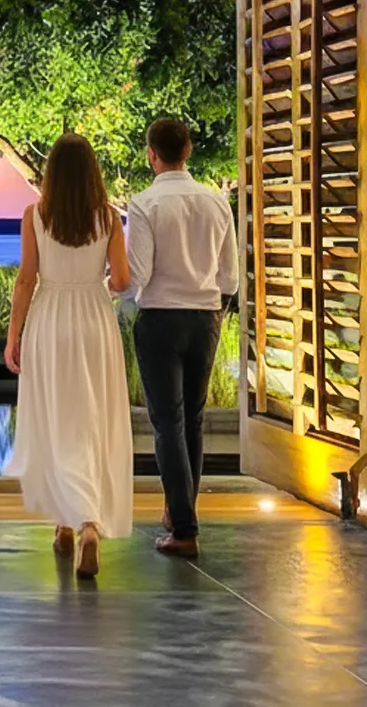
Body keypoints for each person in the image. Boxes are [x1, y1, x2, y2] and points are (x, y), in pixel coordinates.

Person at [3, 132, 132, 579]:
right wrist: (99, 282)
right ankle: (81, 522)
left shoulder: (35, 215)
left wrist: (12, 334)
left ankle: (73, 521)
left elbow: (26, 280)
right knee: (90, 419)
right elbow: (121, 280)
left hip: (50, 320)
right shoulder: (110, 218)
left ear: (52, 174)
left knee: (56, 419)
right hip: (94, 321)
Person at [125, 118, 239, 560]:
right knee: (193, 419)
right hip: (206, 317)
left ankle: (184, 528)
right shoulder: (216, 201)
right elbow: (229, 275)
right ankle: (181, 513)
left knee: (167, 424)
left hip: (160, 320)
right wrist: (217, 310)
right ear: (188, 150)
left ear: (151, 154)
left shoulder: (145, 203)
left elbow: (139, 275)